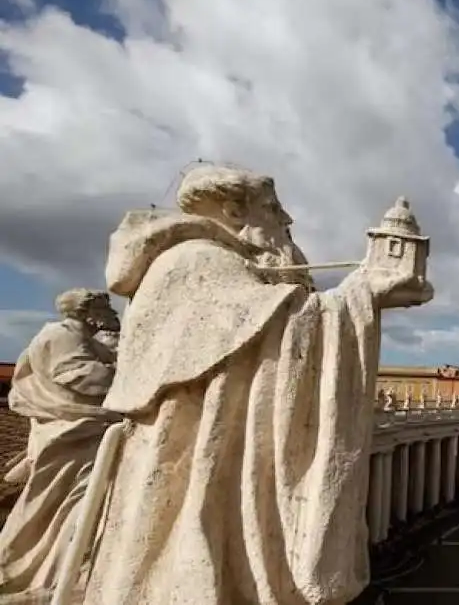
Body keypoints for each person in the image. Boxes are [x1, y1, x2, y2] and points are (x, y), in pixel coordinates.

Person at [77, 163, 432, 605]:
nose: (287, 221)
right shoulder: (195, 260)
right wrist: (361, 294)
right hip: (195, 458)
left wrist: (356, 296)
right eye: (274, 209)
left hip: (220, 452)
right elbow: (277, 327)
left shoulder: (231, 265)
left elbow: (273, 322)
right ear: (233, 208)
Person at [0, 289, 121, 597]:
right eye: (107, 308)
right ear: (87, 311)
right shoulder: (59, 335)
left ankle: (60, 570)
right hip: (73, 433)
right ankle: (32, 571)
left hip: (85, 429)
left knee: (77, 503)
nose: (114, 315)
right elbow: (82, 378)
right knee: (63, 502)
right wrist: (130, 373)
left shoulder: (86, 340)